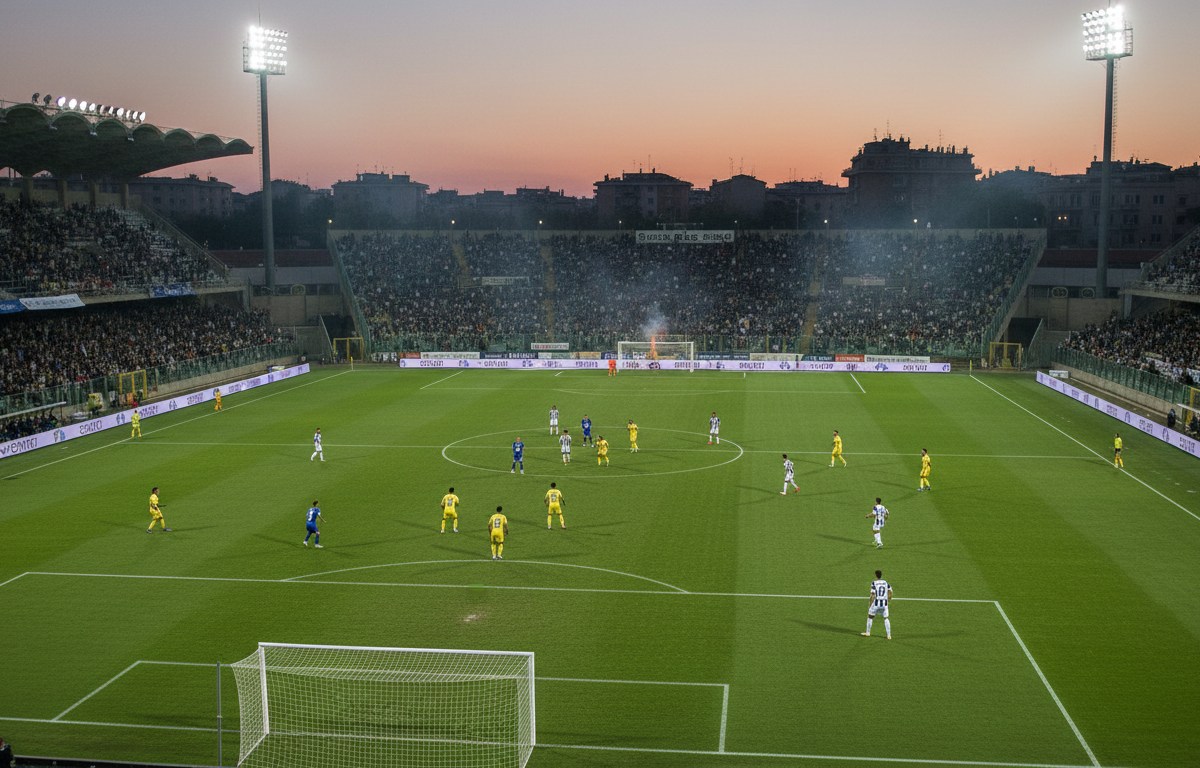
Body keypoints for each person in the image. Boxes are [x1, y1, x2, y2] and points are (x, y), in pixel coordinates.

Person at [861, 569, 892, 640]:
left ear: (876, 575)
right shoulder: (885, 583)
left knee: (870, 616)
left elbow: (873, 594)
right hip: (884, 604)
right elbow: (890, 591)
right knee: (886, 618)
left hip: (876, 603)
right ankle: (889, 635)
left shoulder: (874, 583)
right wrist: (888, 600)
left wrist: (870, 603)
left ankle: (868, 633)